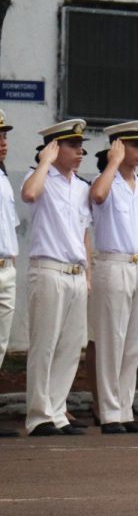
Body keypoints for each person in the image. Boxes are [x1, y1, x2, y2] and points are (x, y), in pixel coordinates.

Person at [22, 120, 91, 436]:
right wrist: (44, 162)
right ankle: (39, 415)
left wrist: (88, 272)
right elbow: (29, 194)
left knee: (70, 346)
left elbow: (83, 233)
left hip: (76, 273)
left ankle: (57, 411)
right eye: (73, 145)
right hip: (48, 270)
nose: (80, 152)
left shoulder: (81, 187)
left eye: (81, 146)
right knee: (45, 345)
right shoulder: (38, 177)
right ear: (54, 147)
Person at [88, 121, 138, 434]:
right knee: (111, 341)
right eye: (133, 145)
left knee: (133, 343)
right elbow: (97, 196)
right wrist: (113, 162)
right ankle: (109, 412)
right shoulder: (106, 181)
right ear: (117, 146)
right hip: (112, 264)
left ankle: (125, 409)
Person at [0, 111, 17, 438]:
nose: (3, 144)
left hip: (6, 268)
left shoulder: (2, 177)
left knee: (0, 345)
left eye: (4, 137)